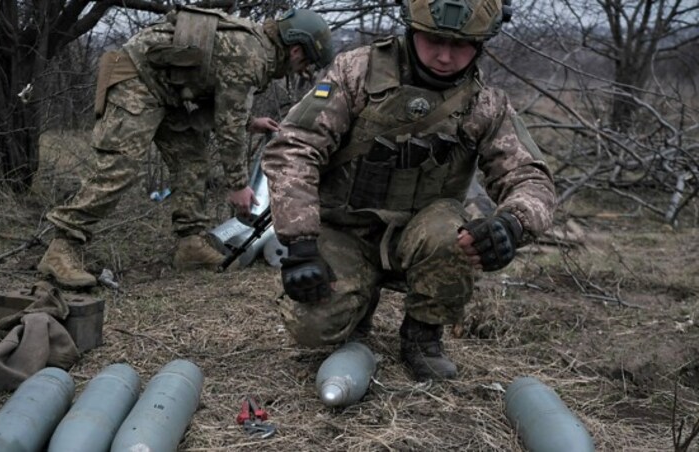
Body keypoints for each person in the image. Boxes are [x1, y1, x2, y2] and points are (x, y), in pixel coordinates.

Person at [261, 0, 556, 382]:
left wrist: (513, 224)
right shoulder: (356, 72)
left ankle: (423, 334)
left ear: (481, 44)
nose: (445, 56)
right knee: (312, 330)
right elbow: (295, 146)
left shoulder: (485, 104)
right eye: (433, 40)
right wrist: (299, 242)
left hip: (423, 236)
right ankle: (358, 304)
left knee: (453, 235)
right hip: (346, 228)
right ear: (412, 30)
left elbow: (531, 178)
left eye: (462, 45)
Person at [36, 7, 333, 288]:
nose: (300, 69)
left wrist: (250, 121)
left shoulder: (256, 50)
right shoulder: (252, 55)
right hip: (137, 79)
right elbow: (228, 126)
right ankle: (63, 245)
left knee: (193, 159)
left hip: (167, 91)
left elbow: (223, 104)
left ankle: (190, 244)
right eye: (305, 62)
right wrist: (239, 185)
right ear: (296, 50)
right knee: (121, 166)